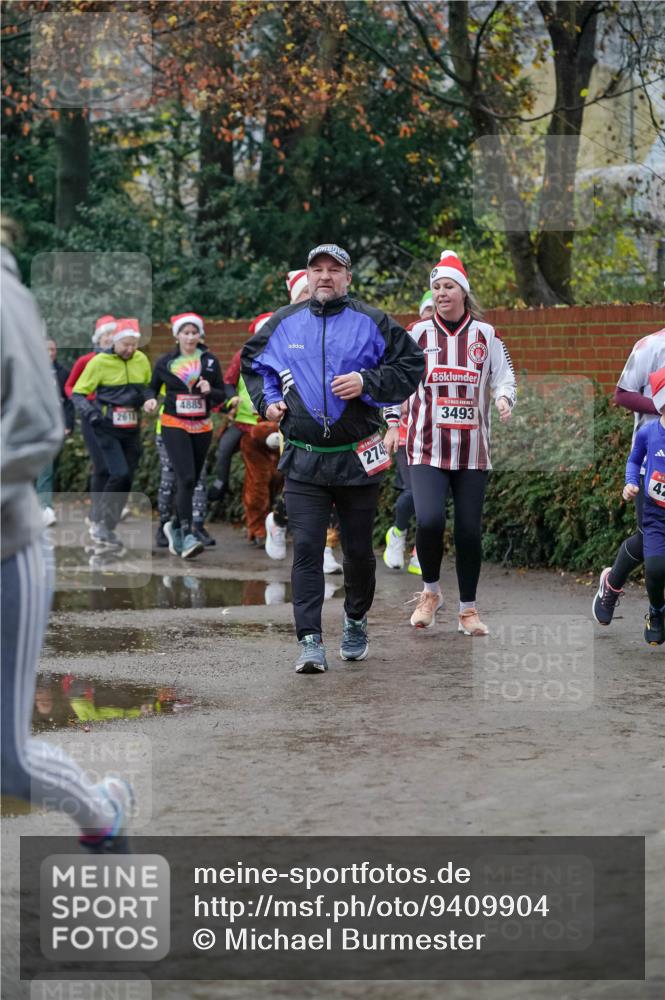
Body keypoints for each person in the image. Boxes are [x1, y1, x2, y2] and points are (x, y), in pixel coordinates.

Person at [1, 234, 133, 853]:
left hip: (5, 550)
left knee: (7, 760)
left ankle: (101, 814)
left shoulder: (6, 298)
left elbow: (35, 424)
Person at [242, 243, 424, 674]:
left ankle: (356, 620)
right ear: (307, 276)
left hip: (357, 458)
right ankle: (309, 640)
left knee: (358, 552)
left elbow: (412, 366)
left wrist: (367, 381)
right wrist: (268, 403)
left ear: (347, 278)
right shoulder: (283, 323)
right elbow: (254, 363)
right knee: (305, 548)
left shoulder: (373, 321)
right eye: (316, 269)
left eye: (334, 269)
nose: (324, 276)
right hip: (304, 459)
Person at [385, 249, 515, 635]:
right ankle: (430, 593)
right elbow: (397, 381)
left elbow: (504, 376)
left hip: (473, 451)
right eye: (436, 287)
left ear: (463, 292)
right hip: (425, 447)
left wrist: (505, 398)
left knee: (469, 532)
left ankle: (468, 610)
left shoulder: (486, 335)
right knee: (428, 520)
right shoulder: (416, 334)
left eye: (448, 286)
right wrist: (393, 423)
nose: (442, 293)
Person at [264, 270, 343, 573]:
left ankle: (325, 549)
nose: (309, 301)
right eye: (302, 296)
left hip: (334, 425)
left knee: (333, 485)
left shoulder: (335, 327)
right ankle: (279, 519)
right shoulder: (282, 331)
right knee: (303, 484)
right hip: (296, 424)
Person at [593, 327, 665, 625]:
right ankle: (612, 584)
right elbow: (622, 394)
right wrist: (661, 406)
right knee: (650, 536)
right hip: (653, 461)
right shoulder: (650, 346)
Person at [147, 313, 227, 559]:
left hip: (202, 425)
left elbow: (221, 394)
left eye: (194, 332)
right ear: (177, 335)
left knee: (191, 481)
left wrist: (209, 390)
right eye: (185, 332)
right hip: (174, 424)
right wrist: (149, 399)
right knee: (186, 477)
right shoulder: (166, 362)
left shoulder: (210, 361)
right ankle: (185, 532)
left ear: (199, 335)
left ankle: (175, 527)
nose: (190, 337)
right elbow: (151, 387)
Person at [71, 318, 154, 549]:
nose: (130, 349)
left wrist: (149, 399)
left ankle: (107, 526)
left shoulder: (141, 360)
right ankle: (100, 522)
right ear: (115, 343)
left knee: (126, 477)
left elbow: (147, 386)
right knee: (117, 473)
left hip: (131, 428)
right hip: (105, 427)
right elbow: (78, 393)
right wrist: (93, 415)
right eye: (125, 344)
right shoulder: (100, 362)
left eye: (133, 345)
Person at [623, 366, 665, 645]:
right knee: (655, 569)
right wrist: (629, 483)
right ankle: (656, 612)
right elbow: (634, 460)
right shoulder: (648, 433)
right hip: (655, 514)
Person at [64, 316, 117, 537]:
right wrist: (84, 403)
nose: (110, 339)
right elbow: (69, 386)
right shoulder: (86, 360)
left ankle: (106, 512)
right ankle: (96, 513)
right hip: (91, 416)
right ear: (98, 338)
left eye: (113, 335)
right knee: (101, 466)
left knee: (115, 468)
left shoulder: (120, 361)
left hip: (114, 417)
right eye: (106, 335)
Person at [36, 338, 75, 527]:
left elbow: (69, 401)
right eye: (46, 350)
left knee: (52, 466)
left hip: (56, 427)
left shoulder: (63, 373)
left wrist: (68, 424)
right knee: (46, 468)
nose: (50, 353)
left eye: (53, 349)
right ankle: (45, 508)